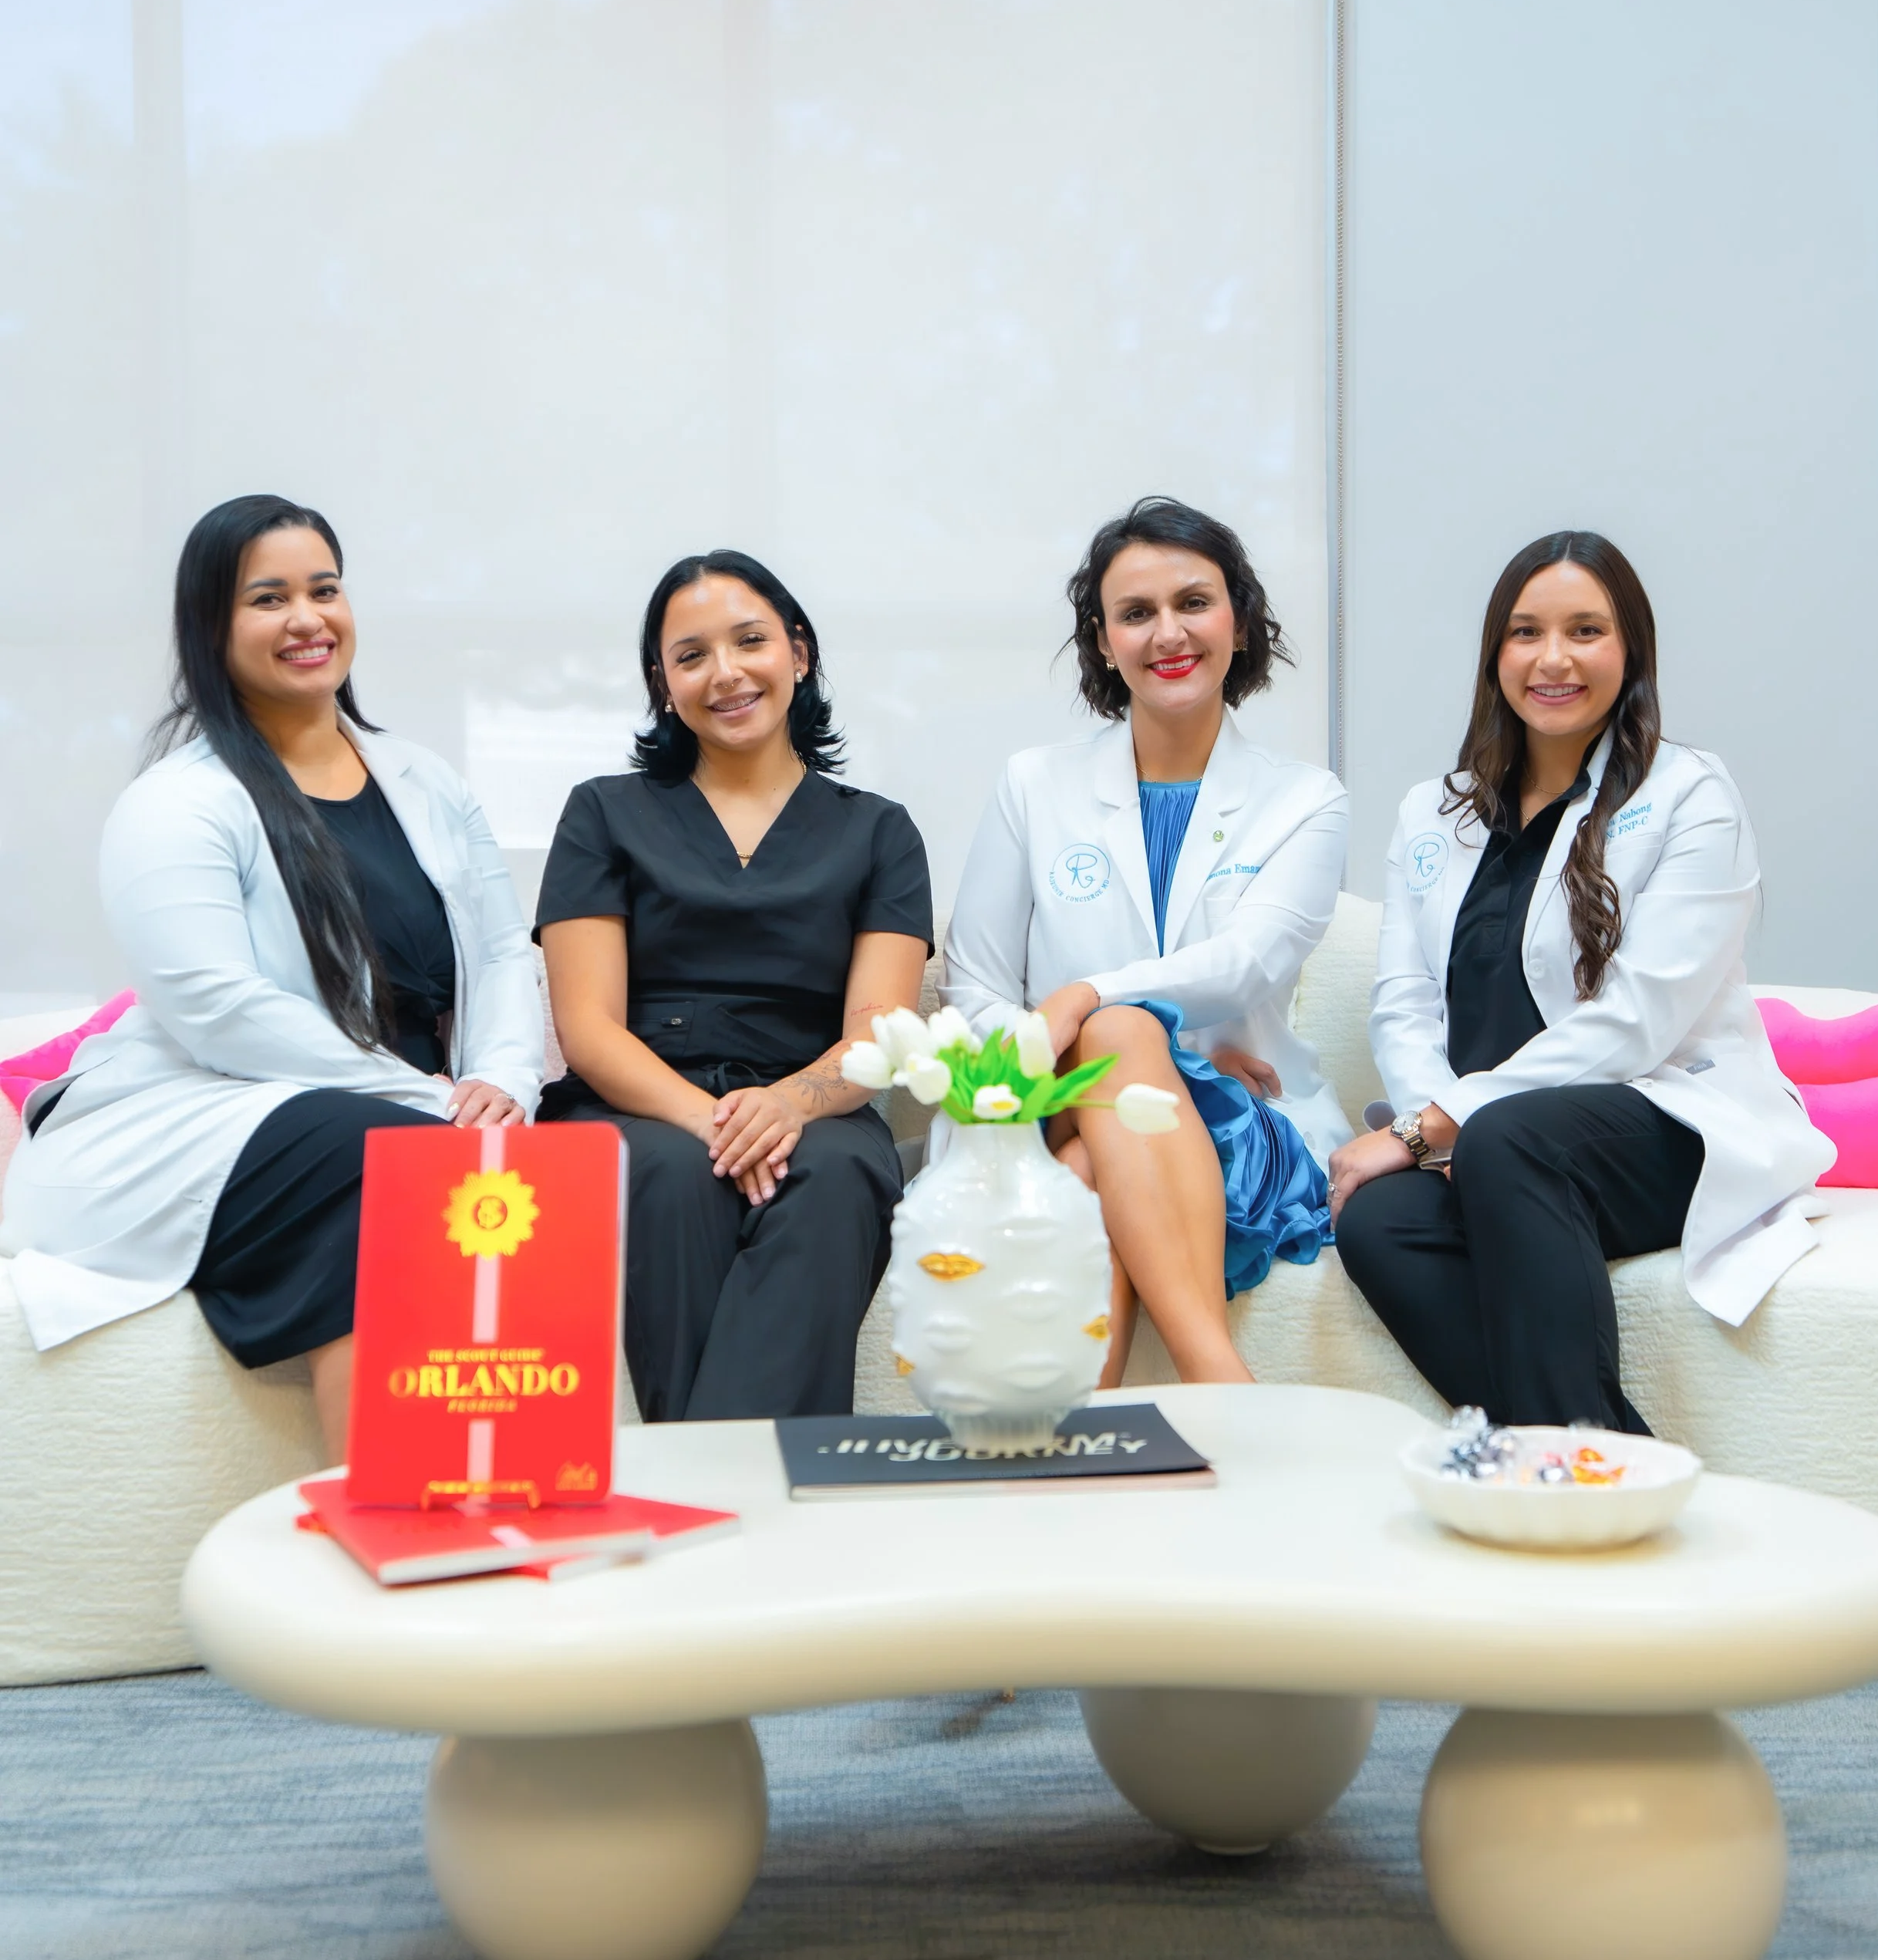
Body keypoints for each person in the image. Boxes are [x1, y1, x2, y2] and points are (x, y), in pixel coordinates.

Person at [0, 495, 543, 1456]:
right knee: (389, 1153)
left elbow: (503, 951)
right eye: (268, 598)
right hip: (204, 1117)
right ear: (212, 627)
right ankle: (394, 1512)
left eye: (323, 589)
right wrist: (424, 1096)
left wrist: (501, 1079)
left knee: (514, 1158)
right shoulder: (177, 804)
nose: (307, 619)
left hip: (414, 1110)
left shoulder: (424, 780)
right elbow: (217, 1011)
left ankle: (471, 1510)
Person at [1329, 529, 1832, 1432]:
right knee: (1377, 1221)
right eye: (1525, 632)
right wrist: (1435, 1138)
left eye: (1585, 631)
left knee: (1510, 1139)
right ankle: (1593, 1457)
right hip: (1483, 1148)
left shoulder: (1688, 794)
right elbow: (1403, 1004)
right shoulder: (1432, 810)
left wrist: (1440, 1124)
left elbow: (1637, 1021)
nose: (1551, 658)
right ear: (1495, 654)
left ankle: (1571, 1485)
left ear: (1629, 650)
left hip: (1656, 1127)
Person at [942, 496, 1349, 1385]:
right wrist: (1090, 1050)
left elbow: (1248, 964)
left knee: (1106, 1093)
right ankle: (1224, 1392)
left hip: (1240, 1129)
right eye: (1135, 613)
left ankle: (1081, 1456)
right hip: (1051, 1103)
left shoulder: (1305, 801)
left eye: (1193, 602)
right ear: (1102, 642)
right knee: (1117, 1054)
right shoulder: (1032, 785)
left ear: (1239, 621)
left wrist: (1084, 1003)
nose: (1168, 632)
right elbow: (970, 984)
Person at [536, 552, 932, 1421]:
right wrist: (712, 1122)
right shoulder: (602, 811)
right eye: (691, 655)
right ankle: (760, 1502)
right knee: (674, 1174)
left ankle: (700, 1489)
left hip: (814, 1105)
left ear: (798, 651)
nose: (726, 674)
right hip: (638, 1102)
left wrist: (788, 1105)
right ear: (661, 682)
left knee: (831, 1180)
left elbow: (882, 1031)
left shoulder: (880, 832)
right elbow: (588, 1027)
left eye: (750, 641)